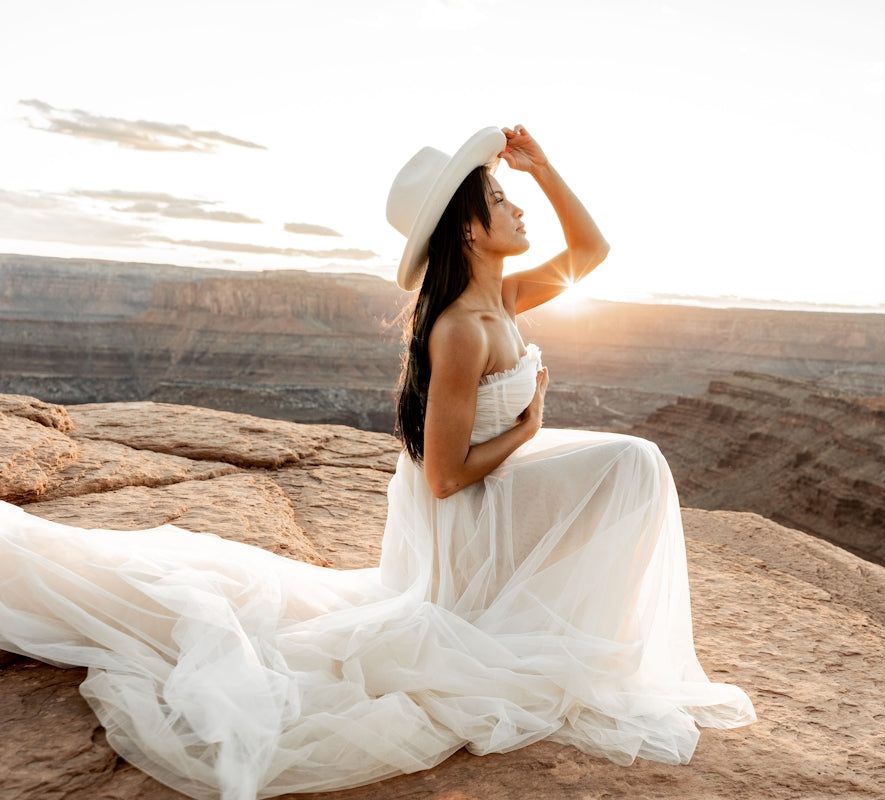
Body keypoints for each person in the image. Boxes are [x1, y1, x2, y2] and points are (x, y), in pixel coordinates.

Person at [0, 126, 755, 800]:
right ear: (467, 227)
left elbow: (591, 255)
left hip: (489, 494)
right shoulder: (461, 329)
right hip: (464, 521)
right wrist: (529, 429)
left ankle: (560, 623)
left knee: (633, 464)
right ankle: (545, 627)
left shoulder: (505, 301)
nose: (517, 208)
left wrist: (544, 169)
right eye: (500, 198)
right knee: (634, 462)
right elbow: (444, 477)